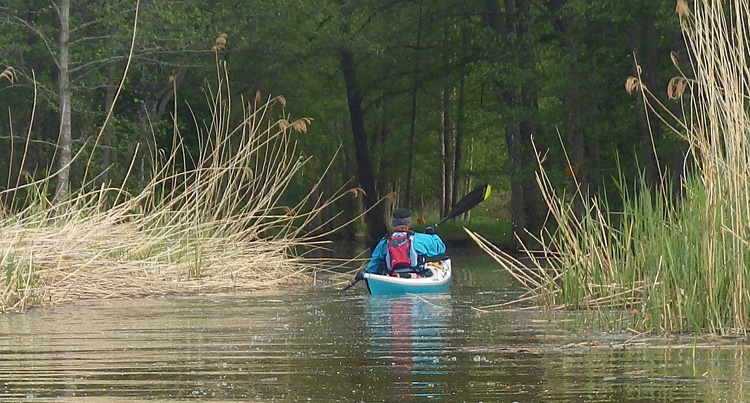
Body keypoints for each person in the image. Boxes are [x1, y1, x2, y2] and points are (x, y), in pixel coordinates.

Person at [355, 208, 446, 281]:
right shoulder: (419, 239)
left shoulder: (384, 242)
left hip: (393, 278)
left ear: (393, 223)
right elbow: (441, 248)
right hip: (416, 278)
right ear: (409, 223)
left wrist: (364, 273)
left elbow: (373, 266)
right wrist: (432, 234)